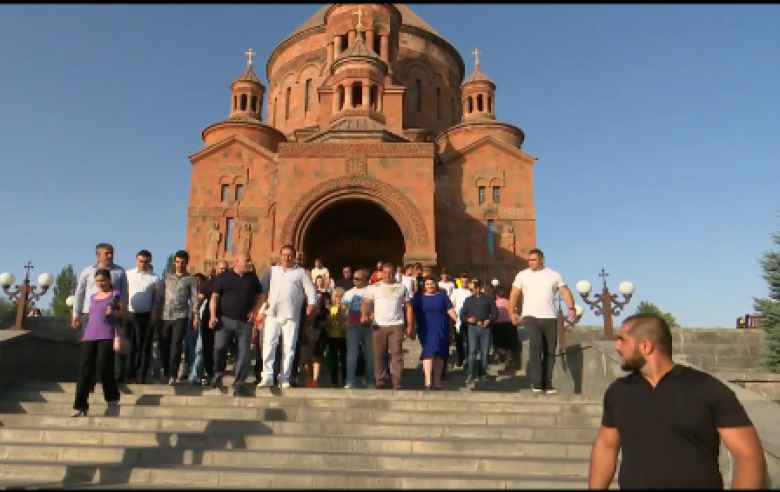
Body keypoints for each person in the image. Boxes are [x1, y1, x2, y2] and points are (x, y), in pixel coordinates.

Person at [588, 313, 767, 489]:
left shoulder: (706, 388)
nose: (617, 346)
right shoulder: (619, 391)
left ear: (645, 346)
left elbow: (749, 456)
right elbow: (606, 447)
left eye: (622, 340)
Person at [508, 248, 575, 394]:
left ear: (541, 260)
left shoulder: (553, 275)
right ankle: (537, 382)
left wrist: (571, 307)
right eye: (529, 260)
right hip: (530, 316)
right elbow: (514, 293)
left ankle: (547, 382)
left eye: (533, 260)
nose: (530, 263)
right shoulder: (522, 275)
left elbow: (565, 291)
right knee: (536, 345)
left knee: (549, 350)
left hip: (550, 317)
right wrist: (511, 312)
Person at [257, 245, 316, 389]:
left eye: (289, 255)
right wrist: (261, 309)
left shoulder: (300, 273)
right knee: (269, 344)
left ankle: (285, 377)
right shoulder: (273, 271)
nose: (286, 257)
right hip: (272, 313)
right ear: (280, 256)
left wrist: (311, 305)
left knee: (288, 347)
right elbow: (263, 291)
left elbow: (311, 292)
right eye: (284, 254)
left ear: (294, 257)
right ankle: (267, 376)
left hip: (291, 315)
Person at [209, 253, 264, 396]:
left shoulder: (252, 278)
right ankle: (218, 373)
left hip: (244, 323)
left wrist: (254, 311)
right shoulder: (224, 277)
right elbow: (214, 297)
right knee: (219, 347)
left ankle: (239, 384)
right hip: (225, 320)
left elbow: (261, 297)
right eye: (247, 260)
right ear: (237, 262)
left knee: (243, 353)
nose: (250, 263)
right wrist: (213, 316)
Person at [71, 268, 122, 417]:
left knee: (104, 366)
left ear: (109, 280)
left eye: (103, 280)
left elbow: (122, 313)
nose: (100, 283)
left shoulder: (115, 294)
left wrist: (114, 312)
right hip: (89, 335)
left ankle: (112, 397)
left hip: (106, 334)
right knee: (85, 370)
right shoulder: (93, 297)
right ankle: (80, 405)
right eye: (98, 281)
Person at [361, 262, 412, 390]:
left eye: (390, 273)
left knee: (396, 354)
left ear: (395, 274)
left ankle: (396, 381)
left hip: (396, 324)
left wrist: (410, 325)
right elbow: (366, 302)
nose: (388, 275)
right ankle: (380, 380)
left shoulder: (401, 288)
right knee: (378, 354)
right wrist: (364, 314)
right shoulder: (375, 287)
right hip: (379, 325)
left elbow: (408, 307)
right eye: (385, 273)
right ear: (381, 273)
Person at [158, 250, 199, 386]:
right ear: (174, 262)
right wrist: (155, 311)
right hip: (165, 316)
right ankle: (166, 371)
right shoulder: (167, 276)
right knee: (164, 345)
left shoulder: (190, 279)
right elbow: (160, 295)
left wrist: (195, 316)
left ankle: (172, 374)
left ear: (186, 263)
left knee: (176, 345)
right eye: (177, 262)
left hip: (181, 316)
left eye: (182, 262)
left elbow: (194, 298)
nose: (180, 265)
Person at [123, 250, 162, 384]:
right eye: (141, 261)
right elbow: (122, 293)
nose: (143, 264)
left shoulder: (155, 278)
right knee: (129, 344)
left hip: (146, 315)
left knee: (144, 345)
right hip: (129, 313)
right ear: (136, 260)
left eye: (146, 262)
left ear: (149, 262)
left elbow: (158, 297)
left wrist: (154, 312)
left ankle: (141, 375)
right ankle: (128, 374)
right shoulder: (127, 274)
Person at [413, 276, 458, 390]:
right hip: (426, 329)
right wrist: (411, 327)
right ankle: (428, 381)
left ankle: (437, 382)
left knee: (439, 354)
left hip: (441, 328)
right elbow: (412, 313)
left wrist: (457, 320)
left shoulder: (442, 296)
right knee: (428, 352)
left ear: (436, 284)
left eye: (432, 284)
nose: (430, 286)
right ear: (424, 286)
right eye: (427, 284)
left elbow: (449, 309)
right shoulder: (419, 298)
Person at [460, 278, 498, 386]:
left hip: (485, 328)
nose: (470, 291)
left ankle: (483, 373)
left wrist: (489, 320)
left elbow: (495, 314)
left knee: (484, 352)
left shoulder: (488, 299)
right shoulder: (468, 300)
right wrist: (468, 320)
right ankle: (470, 373)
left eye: (472, 289)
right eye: (470, 289)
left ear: (478, 288)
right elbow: (462, 314)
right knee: (472, 351)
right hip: (472, 328)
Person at [342, 268, 374, 389]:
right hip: (353, 327)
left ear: (365, 279)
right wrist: (341, 324)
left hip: (368, 327)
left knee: (370, 356)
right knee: (351, 355)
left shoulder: (371, 291)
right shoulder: (349, 293)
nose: (355, 281)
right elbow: (343, 309)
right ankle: (350, 381)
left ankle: (370, 381)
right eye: (354, 278)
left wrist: (371, 317)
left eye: (358, 279)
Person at [326, 287, 348, 388]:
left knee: (344, 360)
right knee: (333, 360)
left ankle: (345, 380)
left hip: (344, 337)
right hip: (332, 336)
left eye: (340, 296)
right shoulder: (330, 309)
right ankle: (334, 381)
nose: (338, 298)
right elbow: (328, 324)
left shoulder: (347, 309)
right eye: (336, 296)